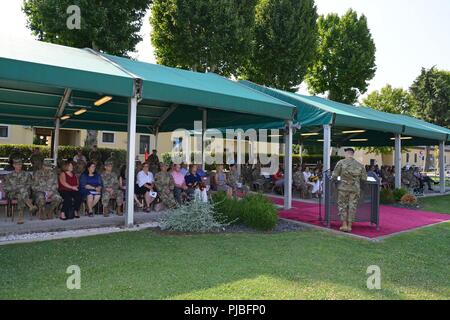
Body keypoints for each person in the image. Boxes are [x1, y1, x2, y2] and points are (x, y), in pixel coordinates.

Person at [331, 148, 367, 233]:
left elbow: (334, 176)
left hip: (343, 188)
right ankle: (350, 226)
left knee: (343, 205)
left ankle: (344, 224)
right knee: (352, 206)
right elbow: (364, 178)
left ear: (346, 154)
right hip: (355, 188)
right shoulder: (360, 165)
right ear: (352, 154)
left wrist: (335, 180)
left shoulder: (341, 163)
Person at [3, 158, 37, 224]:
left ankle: (20, 217)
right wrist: (17, 188)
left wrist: (22, 189)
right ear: (13, 165)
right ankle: (31, 206)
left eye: (20, 165)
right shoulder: (9, 176)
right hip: (12, 193)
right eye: (17, 165)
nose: (19, 166)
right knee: (22, 191)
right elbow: (5, 187)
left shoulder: (27, 175)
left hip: (24, 193)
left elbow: (30, 184)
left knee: (20, 195)